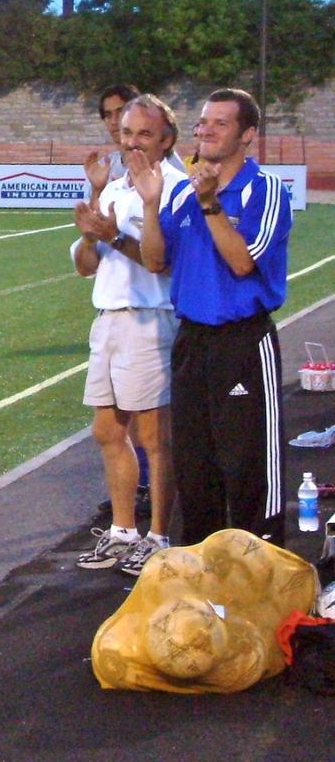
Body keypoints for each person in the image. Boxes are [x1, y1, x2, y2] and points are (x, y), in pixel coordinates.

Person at [132, 87, 292, 547]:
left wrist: (210, 203)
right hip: (191, 341)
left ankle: (258, 566)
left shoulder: (265, 191)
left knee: (247, 462)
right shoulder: (181, 193)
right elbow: (155, 260)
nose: (205, 129)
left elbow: (242, 263)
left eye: (220, 123)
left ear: (248, 135)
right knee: (194, 462)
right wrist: (149, 203)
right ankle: (201, 570)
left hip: (242, 341)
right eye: (203, 121)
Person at [72, 95, 185, 576]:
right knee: (108, 431)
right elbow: (83, 266)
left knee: (154, 437)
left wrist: (114, 234)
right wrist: (95, 221)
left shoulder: (176, 188)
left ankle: (159, 536)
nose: (131, 141)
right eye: (126, 132)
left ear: (166, 139)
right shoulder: (115, 187)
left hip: (150, 317)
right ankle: (123, 531)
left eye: (143, 133)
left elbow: (164, 264)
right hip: (109, 317)